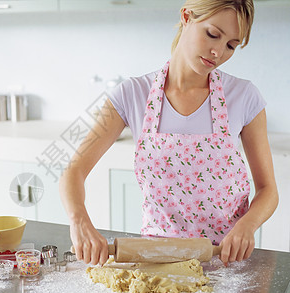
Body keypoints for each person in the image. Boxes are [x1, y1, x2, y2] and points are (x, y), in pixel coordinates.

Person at [59, 0, 278, 267]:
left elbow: (267, 190)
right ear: (187, 16)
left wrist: (248, 225)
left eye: (231, 45)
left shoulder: (244, 97)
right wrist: (79, 220)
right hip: (156, 260)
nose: (218, 51)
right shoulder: (131, 94)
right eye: (212, 34)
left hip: (225, 261)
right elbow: (73, 171)